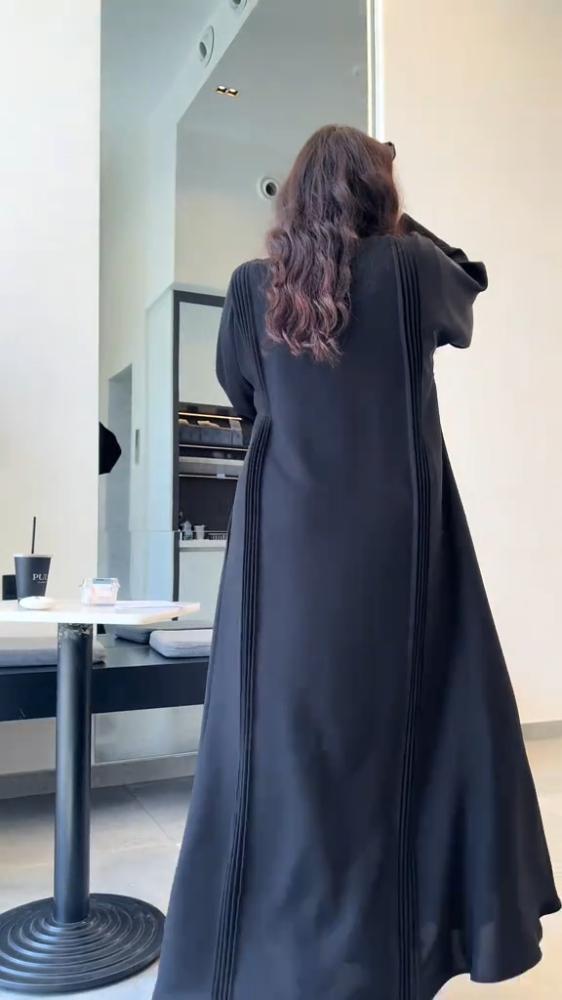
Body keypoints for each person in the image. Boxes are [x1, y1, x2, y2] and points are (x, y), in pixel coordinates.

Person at [153, 125, 559, 1000]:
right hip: (394, 554)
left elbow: (244, 394)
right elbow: (471, 282)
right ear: (378, 195)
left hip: (284, 559)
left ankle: (266, 956)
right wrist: (394, 226)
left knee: (275, 749)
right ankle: (388, 952)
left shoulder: (252, 287)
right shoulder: (411, 271)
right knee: (405, 739)